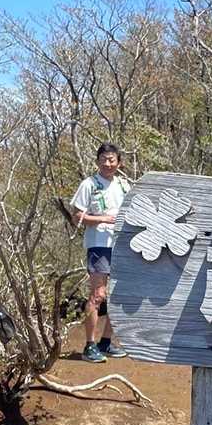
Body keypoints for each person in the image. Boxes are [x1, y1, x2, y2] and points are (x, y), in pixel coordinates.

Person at [70, 143, 132, 363]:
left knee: (119, 295)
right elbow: (77, 216)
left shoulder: (124, 184)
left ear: (119, 162)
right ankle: (89, 345)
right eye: (103, 159)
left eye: (112, 159)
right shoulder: (89, 184)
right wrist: (103, 219)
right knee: (98, 295)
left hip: (122, 245)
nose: (107, 163)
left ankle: (106, 342)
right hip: (99, 245)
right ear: (97, 161)